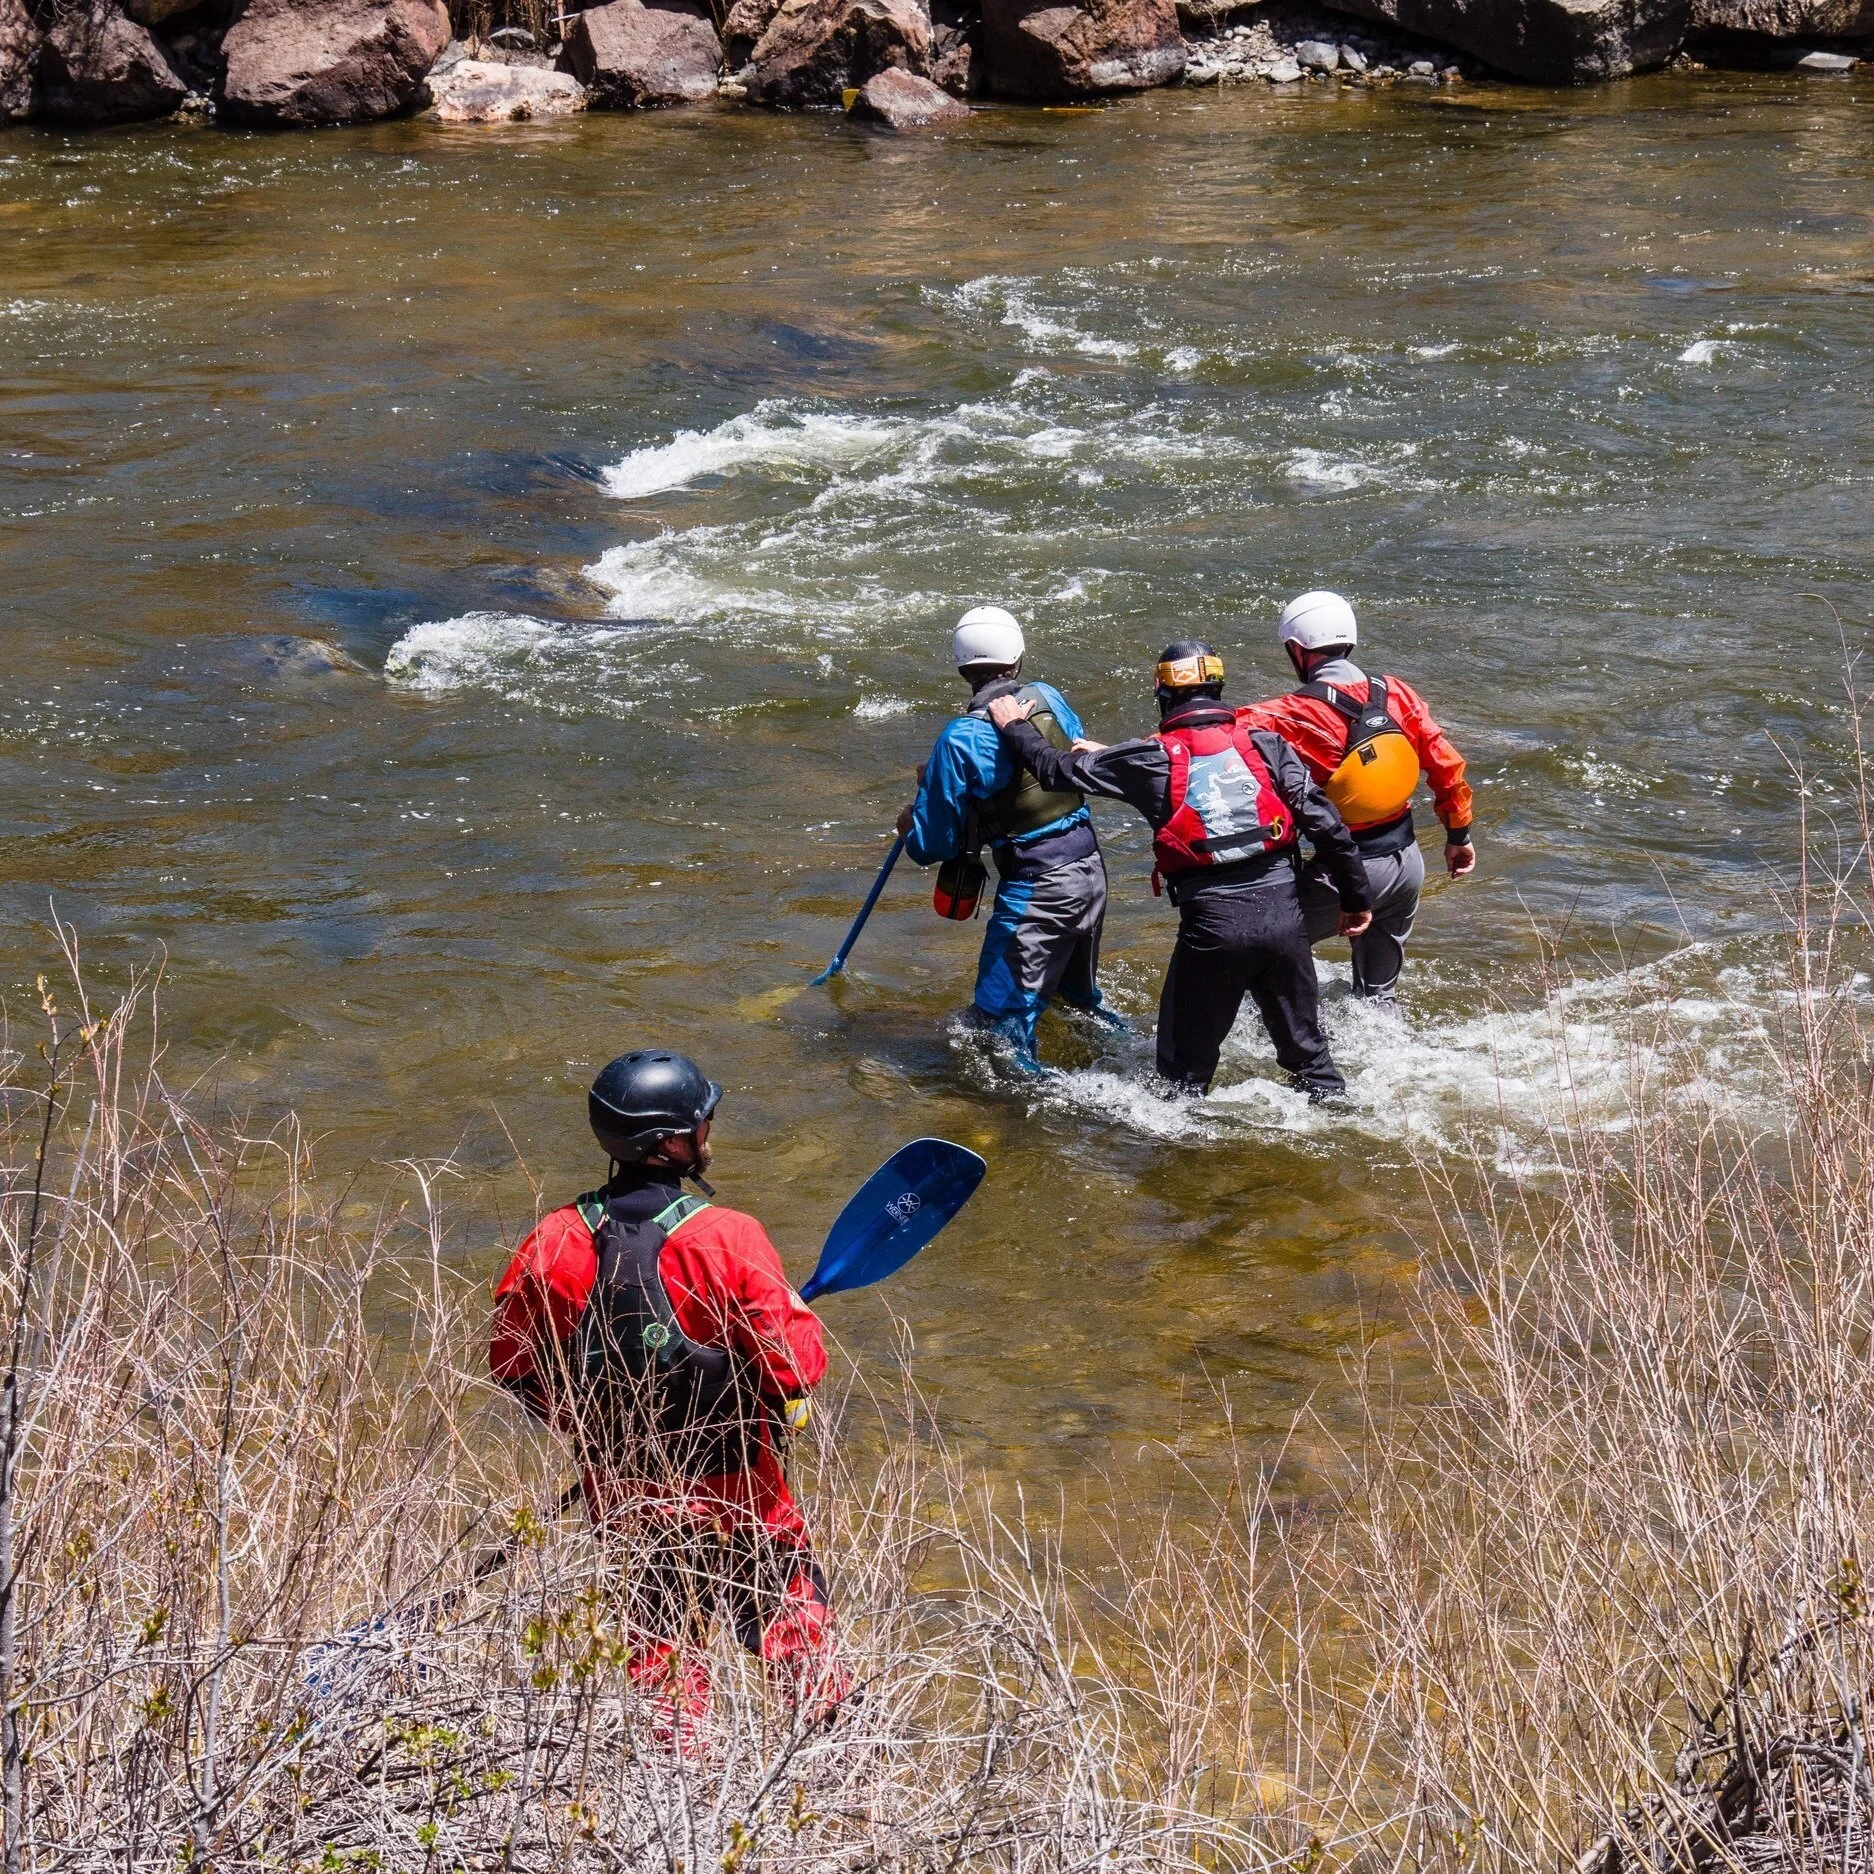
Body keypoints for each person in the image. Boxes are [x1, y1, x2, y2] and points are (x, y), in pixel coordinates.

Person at [489, 1049, 845, 1748]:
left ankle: (677, 1786)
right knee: (790, 1621)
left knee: (660, 1645)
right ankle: (834, 1761)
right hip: (739, 1486)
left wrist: (590, 1430)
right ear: (672, 1143)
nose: (710, 1130)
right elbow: (798, 1368)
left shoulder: (552, 1238)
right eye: (702, 1121)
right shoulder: (728, 1236)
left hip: (621, 1492)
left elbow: (511, 1365)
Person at [986, 642, 1372, 1101]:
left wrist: (1014, 726)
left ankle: (1181, 1166)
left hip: (1213, 931)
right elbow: (1327, 825)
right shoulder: (1266, 744)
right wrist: (1355, 898)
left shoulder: (1146, 759)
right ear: (1219, 687)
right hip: (1286, 923)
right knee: (1312, 1064)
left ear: (1163, 695)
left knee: (1181, 1084)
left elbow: (1054, 770)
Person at [895, 605, 1112, 1073]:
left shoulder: (958, 740)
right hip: (1091, 868)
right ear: (1016, 656)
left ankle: (1026, 1125)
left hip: (1038, 889)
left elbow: (932, 843)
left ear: (961, 666)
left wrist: (911, 823)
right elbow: (1065, 757)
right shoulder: (1049, 699)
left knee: (993, 1031)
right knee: (1077, 1002)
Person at [1238, 591, 1475, 1004]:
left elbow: (1205, 734)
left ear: (1297, 649)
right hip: (1408, 866)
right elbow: (1445, 765)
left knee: (1254, 951)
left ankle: (1299, 1047)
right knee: (1378, 996)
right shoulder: (1397, 691)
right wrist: (1459, 836)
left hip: (1346, 874)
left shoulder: (1291, 713)